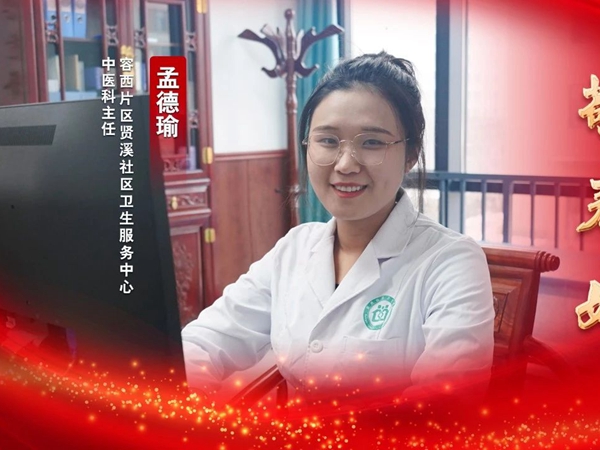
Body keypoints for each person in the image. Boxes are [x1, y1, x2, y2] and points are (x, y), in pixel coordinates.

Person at [182, 51, 494, 406]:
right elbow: (203, 341)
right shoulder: (295, 248)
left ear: (411, 154)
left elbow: (445, 405)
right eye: (328, 141)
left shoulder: (451, 262)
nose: (345, 164)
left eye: (372, 142)